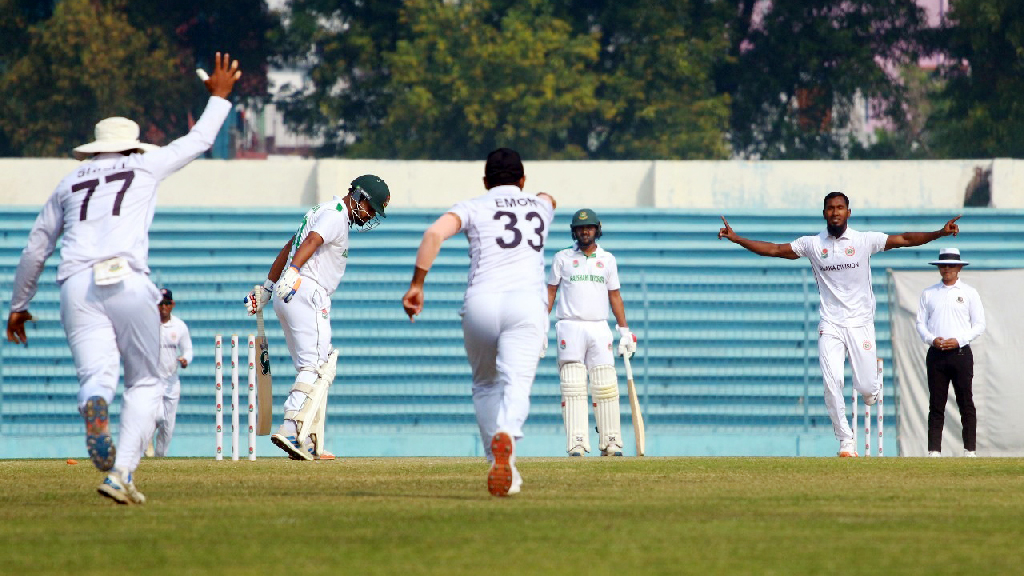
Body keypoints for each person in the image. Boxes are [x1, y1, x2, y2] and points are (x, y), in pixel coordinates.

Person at [5, 52, 241, 504]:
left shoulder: (68, 183)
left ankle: (94, 403)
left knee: (97, 373)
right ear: (133, 146)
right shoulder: (144, 167)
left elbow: (36, 248)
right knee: (146, 382)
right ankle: (121, 475)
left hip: (75, 283)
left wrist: (18, 306)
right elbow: (198, 141)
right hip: (128, 279)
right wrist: (219, 97)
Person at [718, 192, 961, 457]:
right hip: (830, 323)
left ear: (848, 212)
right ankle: (846, 441)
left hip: (860, 323)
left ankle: (872, 387)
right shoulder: (812, 244)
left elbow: (903, 239)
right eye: (830, 208)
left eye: (840, 208)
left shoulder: (863, 240)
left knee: (867, 390)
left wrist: (939, 233)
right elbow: (776, 250)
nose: (835, 212)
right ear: (824, 213)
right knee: (831, 381)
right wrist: (737, 238)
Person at [402, 148, 556, 497]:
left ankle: (501, 465)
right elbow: (549, 198)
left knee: (486, 384)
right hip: (527, 305)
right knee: (517, 382)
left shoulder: (472, 206)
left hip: (481, 303)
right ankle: (507, 431)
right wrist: (538, 194)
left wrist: (417, 284)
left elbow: (433, 235)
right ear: (522, 180)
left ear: (486, 182)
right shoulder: (541, 207)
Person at [244, 174, 391, 461]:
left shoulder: (321, 210)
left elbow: (289, 247)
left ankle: (309, 439)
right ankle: (290, 429)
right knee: (317, 367)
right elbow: (310, 241)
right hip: (307, 291)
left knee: (311, 367)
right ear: (358, 197)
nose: (371, 215)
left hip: (289, 293)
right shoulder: (336, 215)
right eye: (371, 208)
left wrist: (269, 287)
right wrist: (294, 272)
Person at [547, 208, 636, 457]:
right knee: (573, 384)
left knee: (605, 383)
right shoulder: (562, 258)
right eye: (580, 228)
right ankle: (577, 441)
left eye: (589, 227)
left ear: (597, 229)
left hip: (599, 326)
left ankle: (611, 440)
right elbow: (550, 293)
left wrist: (625, 331)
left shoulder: (607, 259)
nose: (585, 231)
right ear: (574, 232)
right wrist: (540, 327)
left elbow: (615, 296)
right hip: (570, 326)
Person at [915, 248, 986, 457]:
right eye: (943, 265)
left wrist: (959, 341)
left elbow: (979, 324)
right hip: (936, 354)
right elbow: (920, 323)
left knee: (966, 402)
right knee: (936, 403)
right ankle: (934, 450)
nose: (946, 269)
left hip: (961, 354)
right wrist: (932, 339)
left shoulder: (969, 293)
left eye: (951, 265)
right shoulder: (929, 293)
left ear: (958, 268)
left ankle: (970, 450)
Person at [144, 288, 193, 457]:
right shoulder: (147, 324)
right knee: (156, 417)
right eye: (160, 304)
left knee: (167, 426)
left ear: (172, 304)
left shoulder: (179, 326)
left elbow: (188, 350)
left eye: (166, 303)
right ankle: (147, 442)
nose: (163, 307)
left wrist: (185, 359)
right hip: (152, 380)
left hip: (172, 381)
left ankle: (159, 458)